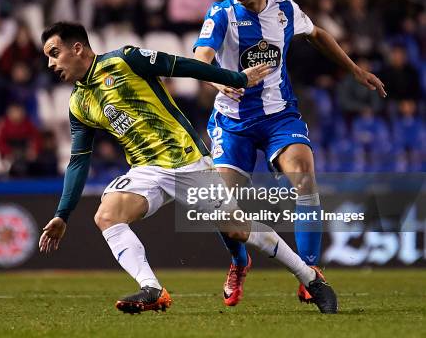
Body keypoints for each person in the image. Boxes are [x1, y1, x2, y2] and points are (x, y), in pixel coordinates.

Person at [38, 22, 337, 314]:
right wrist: (62, 215)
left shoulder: (125, 60)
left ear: (77, 48)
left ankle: (309, 277)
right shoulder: (78, 102)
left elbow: (182, 66)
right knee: (106, 215)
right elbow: (79, 160)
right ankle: (152, 289)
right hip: (145, 170)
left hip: (186, 160)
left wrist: (236, 78)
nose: (51, 63)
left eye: (54, 53)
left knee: (237, 230)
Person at [193, 0, 386, 307]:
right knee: (222, 207)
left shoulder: (285, 8)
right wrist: (219, 80)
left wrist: (355, 70)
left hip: (279, 115)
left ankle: (310, 274)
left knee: (304, 176)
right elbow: (200, 57)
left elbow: (317, 34)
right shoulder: (220, 15)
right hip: (233, 122)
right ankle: (239, 262)